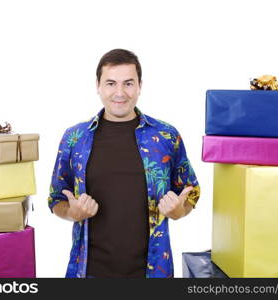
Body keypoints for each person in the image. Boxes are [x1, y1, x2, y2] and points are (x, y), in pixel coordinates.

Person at [48, 49, 200, 278]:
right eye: (111, 83)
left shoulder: (167, 136)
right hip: (89, 272)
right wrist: (72, 212)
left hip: (152, 272)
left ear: (140, 86)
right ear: (97, 85)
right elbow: (57, 199)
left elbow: (190, 192)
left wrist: (179, 211)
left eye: (128, 83)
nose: (120, 93)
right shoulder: (74, 138)